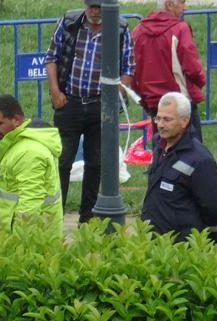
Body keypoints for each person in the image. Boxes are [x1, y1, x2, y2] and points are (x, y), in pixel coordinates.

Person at [44, 0, 135, 222]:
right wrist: (55, 92)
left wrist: (117, 97)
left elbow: (128, 67)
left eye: (100, 7)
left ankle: (88, 219)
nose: (95, 12)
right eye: (91, 6)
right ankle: (56, 214)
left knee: (95, 163)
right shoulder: (68, 22)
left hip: (100, 106)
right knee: (62, 162)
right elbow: (52, 58)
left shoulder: (120, 29)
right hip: (70, 102)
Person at [140, 92, 217, 242]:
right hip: (155, 242)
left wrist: (203, 241)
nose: (160, 125)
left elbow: (215, 210)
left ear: (184, 121)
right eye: (158, 118)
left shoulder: (199, 159)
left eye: (167, 119)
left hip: (183, 248)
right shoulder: (159, 145)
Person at [131, 0, 206, 141]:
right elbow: (193, 68)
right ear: (170, 4)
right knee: (191, 152)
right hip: (180, 102)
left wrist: (143, 97)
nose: (186, 7)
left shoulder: (137, 31)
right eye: (182, 3)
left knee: (161, 151)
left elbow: (133, 70)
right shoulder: (180, 29)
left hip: (154, 103)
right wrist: (200, 82)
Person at [0, 94, 62, 231]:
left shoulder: (29, 152)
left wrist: (19, 237)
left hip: (33, 237)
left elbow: (30, 202)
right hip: (30, 231)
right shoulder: (18, 142)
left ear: (16, 120)